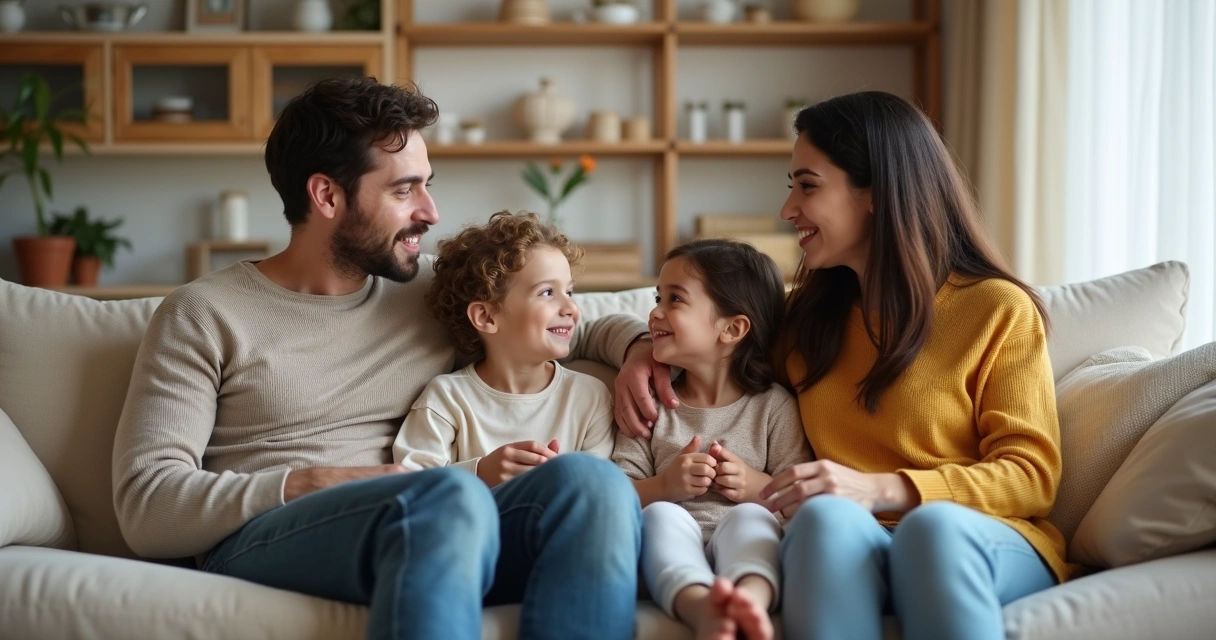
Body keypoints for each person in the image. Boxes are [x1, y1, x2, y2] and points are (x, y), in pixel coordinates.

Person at [111, 77, 657, 640]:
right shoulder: (204, 313)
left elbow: (565, 324)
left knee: (594, 485)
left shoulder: (424, 291)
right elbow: (146, 506)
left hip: (432, 524)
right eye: (404, 190)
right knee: (448, 495)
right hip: (271, 537)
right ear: (327, 196)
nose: (431, 211)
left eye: (428, 185)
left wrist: (639, 349)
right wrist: (310, 482)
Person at [753, 91, 1068, 640]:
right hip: (858, 543)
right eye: (790, 188)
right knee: (824, 519)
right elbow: (701, 335)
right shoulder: (805, 318)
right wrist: (640, 355)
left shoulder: (996, 309)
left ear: (875, 190)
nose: (788, 210)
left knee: (933, 528)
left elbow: (1031, 477)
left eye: (808, 186)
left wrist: (881, 489)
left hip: (978, 536)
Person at [613, 239, 812, 640]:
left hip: (748, 543)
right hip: (666, 554)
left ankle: (750, 601)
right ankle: (700, 606)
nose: (654, 312)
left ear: (733, 328)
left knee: (751, 517)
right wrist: (664, 486)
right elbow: (615, 495)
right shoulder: (650, 405)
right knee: (661, 516)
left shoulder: (774, 407)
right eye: (658, 297)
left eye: (675, 299)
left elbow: (803, 504)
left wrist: (758, 488)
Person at [393, 211, 617, 477]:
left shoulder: (590, 397)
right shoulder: (447, 398)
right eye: (547, 292)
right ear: (486, 316)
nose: (570, 307)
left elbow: (602, 492)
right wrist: (481, 472)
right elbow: (411, 484)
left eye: (569, 291)